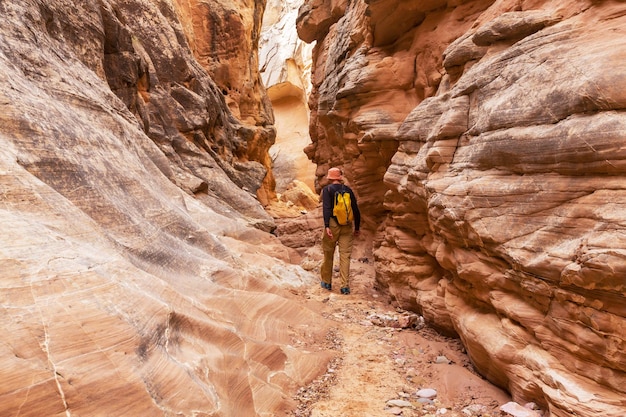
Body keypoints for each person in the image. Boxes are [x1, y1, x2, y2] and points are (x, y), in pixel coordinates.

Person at [320, 167, 361, 295]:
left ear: (330, 178)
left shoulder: (327, 190)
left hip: (333, 224)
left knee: (328, 253)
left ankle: (327, 282)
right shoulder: (348, 190)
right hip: (347, 225)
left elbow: (326, 208)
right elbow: (355, 209)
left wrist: (327, 225)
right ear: (340, 177)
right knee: (345, 256)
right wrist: (357, 227)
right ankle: (345, 287)